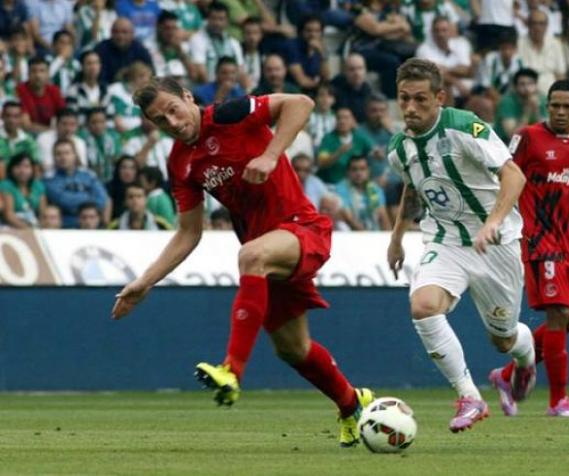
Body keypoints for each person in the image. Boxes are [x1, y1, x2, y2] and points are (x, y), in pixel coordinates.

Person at [112, 77, 374, 447]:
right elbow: (189, 232)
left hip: (302, 229)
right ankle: (352, 405)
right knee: (292, 349)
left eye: (172, 109)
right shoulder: (181, 164)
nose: (171, 122)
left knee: (250, 255)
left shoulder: (231, 114)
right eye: (160, 120)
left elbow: (300, 103)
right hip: (267, 251)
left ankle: (231, 371)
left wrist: (270, 155)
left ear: (188, 97)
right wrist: (145, 281)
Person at [386, 58, 536, 433]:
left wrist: (493, 222)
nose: (410, 108)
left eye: (420, 99)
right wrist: (397, 236)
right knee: (423, 306)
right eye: (403, 99)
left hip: (495, 243)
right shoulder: (398, 148)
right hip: (445, 238)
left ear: (439, 98)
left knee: (502, 339)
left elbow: (514, 175)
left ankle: (525, 356)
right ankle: (469, 396)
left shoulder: (465, 128)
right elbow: (413, 185)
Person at [490, 79, 569, 419]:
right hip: (539, 240)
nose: (560, 112)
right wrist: (498, 221)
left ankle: (506, 376)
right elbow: (502, 176)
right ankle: (558, 402)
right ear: (547, 106)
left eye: (567, 106)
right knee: (558, 314)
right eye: (554, 105)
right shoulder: (527, 137)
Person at [108, 182, 172, 230]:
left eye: (139, 196)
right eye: (131, 197)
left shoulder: (161, 225)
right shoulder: (114, 227)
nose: (135, 200)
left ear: (146, 200)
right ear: (125, 201)